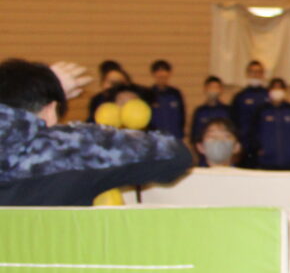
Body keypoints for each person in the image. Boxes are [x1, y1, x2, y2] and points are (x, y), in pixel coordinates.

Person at [0, 58, 193, 206]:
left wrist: (44, 91)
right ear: (50, 111)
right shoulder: (71, 147)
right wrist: (48, 92)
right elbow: (175, 154)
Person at [253, 77, 290, 171]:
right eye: (274, 88)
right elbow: (254, 132)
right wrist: (258, 148)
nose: (277, 91)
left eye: (280, 88)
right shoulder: (261, 111)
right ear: (269, 91)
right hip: (267, 160)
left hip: (289, 161)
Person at [230, 60, 270, 168]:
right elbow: (233, 122)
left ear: (263, 74)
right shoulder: (240, 97)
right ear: (247, 74)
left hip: (265, 146)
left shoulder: (269, 96)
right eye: (253, 72)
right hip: (245, 147)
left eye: (258, 72)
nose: (256, 75)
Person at [189, 76, 231, 156]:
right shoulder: (199, 112)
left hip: (224, 154)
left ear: (221, 90)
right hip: (203, 156)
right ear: (205, 89)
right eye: (211, 87)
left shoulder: (227, 111)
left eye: (216, 87)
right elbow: (194, 137)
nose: (213, 90)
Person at [148, 59, 186, 141]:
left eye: (164, 70)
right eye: (158, 71)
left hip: (174, 138)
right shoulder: (149, 94)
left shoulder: (176, 94)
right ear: (153, 74)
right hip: (155, 139)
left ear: (169, 73)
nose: (161, 73)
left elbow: (182, 116)